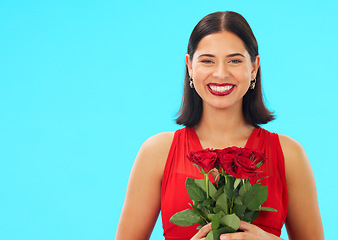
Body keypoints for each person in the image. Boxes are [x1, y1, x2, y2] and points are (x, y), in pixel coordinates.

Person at [115, 11, 324, 240]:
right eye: (207, 61)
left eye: (234, 60)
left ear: (254, 67)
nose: (221, 73)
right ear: (190, 66)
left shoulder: (289, 154)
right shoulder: (157, 152)